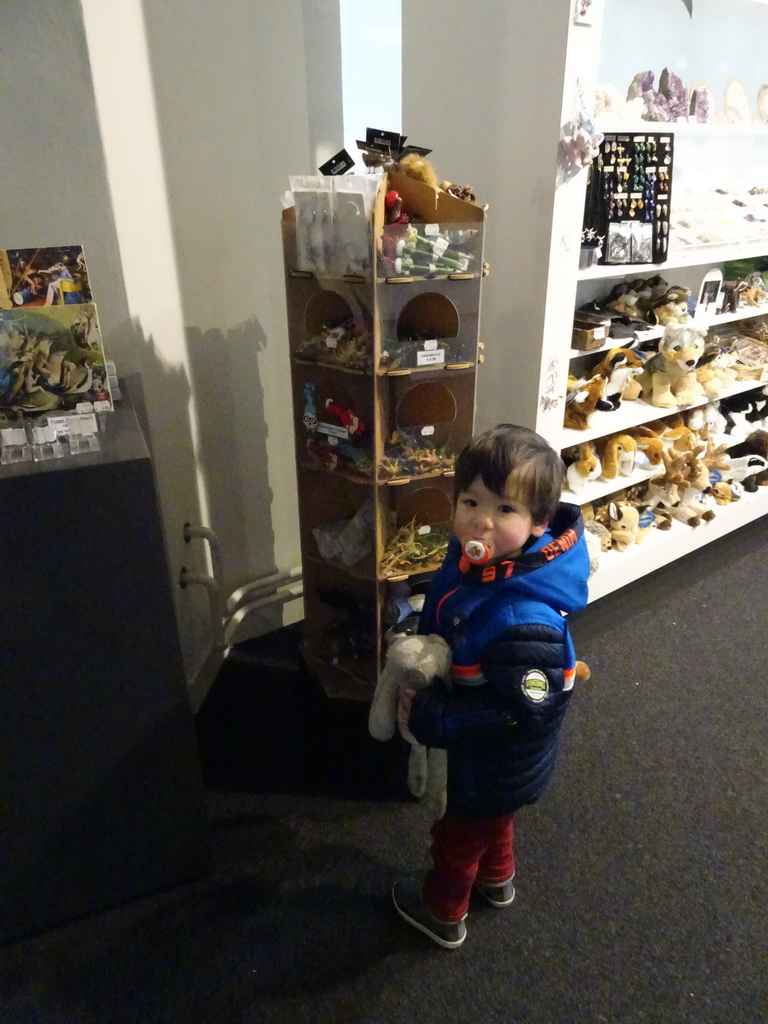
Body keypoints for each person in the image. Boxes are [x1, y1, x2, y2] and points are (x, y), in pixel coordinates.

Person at [392, 423, 590, 949]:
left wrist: (438, 720)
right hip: (490, 764)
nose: (481, 519)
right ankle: (497, 879)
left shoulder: (525, 618)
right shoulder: (478, 563)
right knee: (494, 825)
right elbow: (452, 607)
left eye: (505, 509)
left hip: (492, 760)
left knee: (458, 837)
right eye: (470, 501)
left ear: (539, 522)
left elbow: (525, 713)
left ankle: (442, 911)